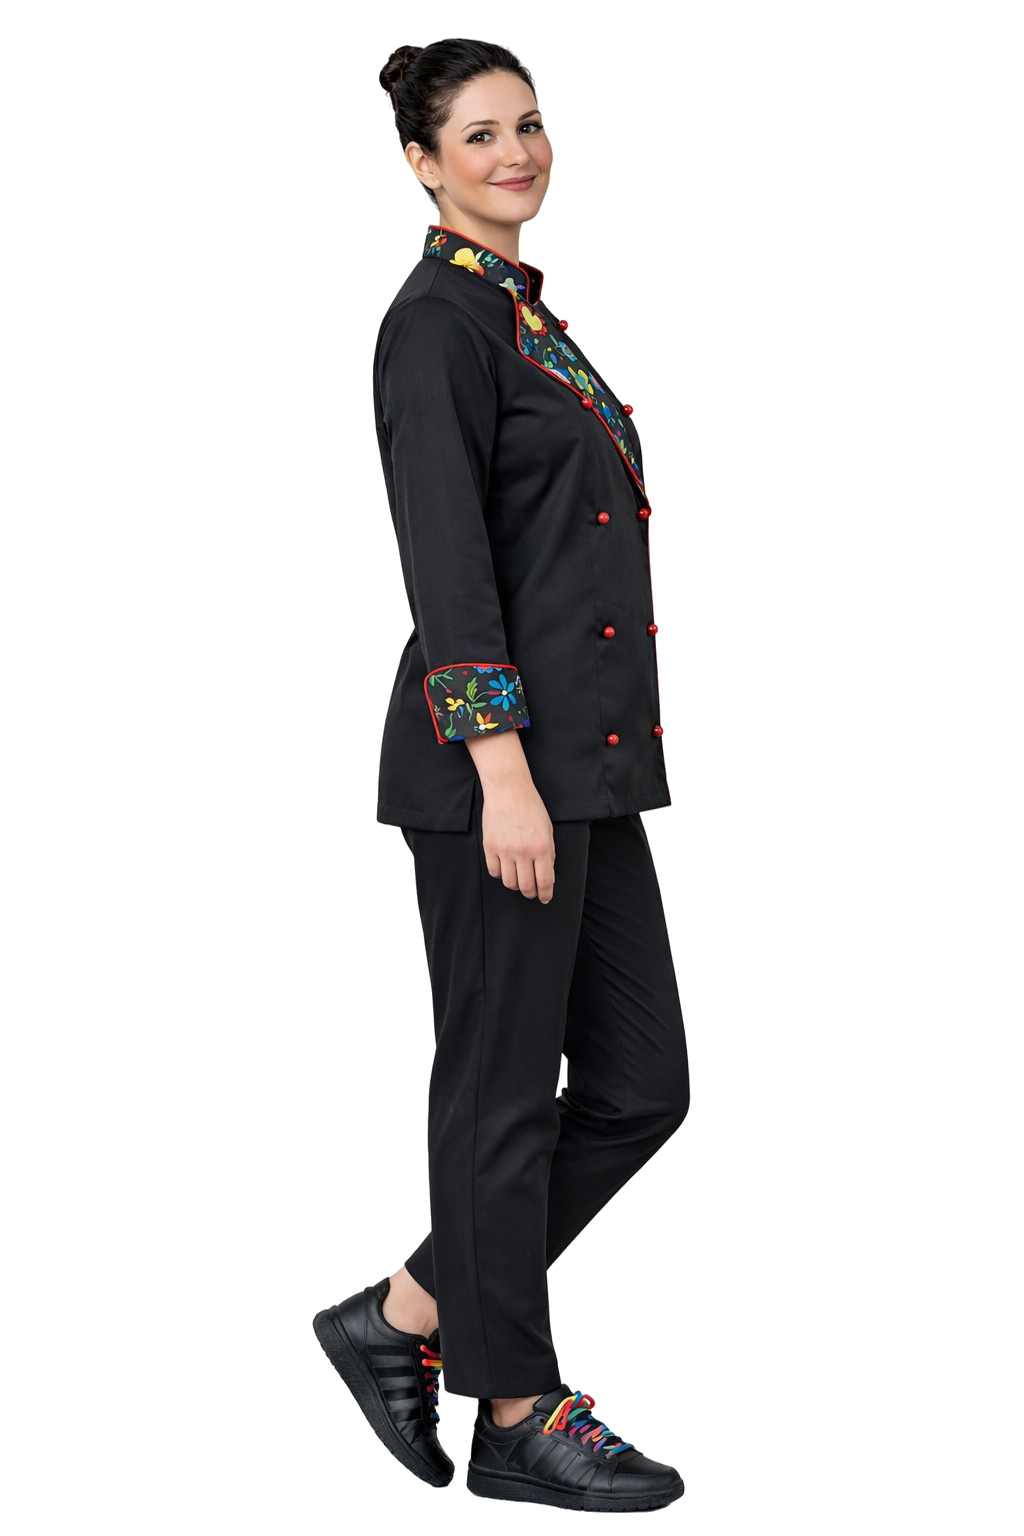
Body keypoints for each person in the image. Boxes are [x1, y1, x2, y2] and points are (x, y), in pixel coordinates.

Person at [312, 38, 690, 1514]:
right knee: (502, 1093)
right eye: (479, 135)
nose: (516, 152)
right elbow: (448, 568)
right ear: (422, 162)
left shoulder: (521, 316)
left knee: (641, 1085)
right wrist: (501, 775)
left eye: (528, 123)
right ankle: (519, 1410)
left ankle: (404, 1312)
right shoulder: (435, 327)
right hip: (500, 772)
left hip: (587, 767)